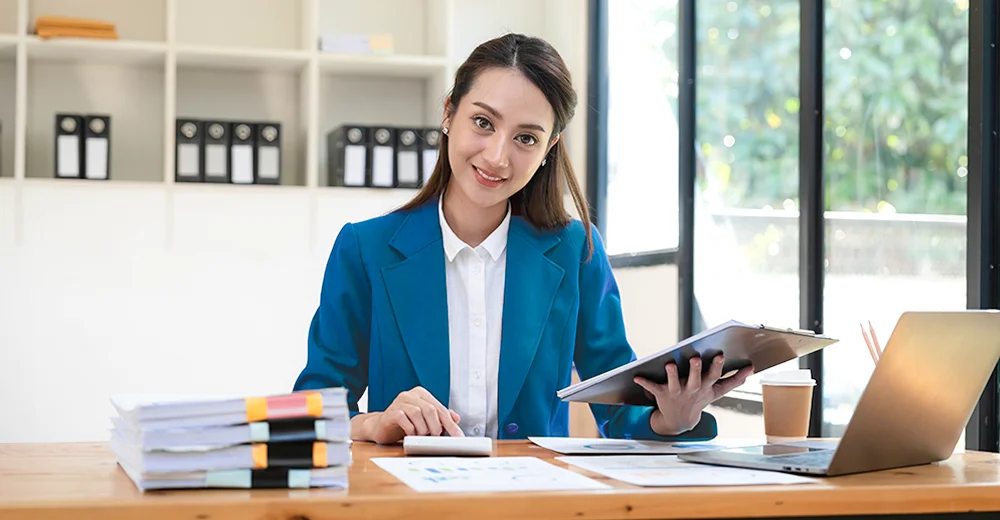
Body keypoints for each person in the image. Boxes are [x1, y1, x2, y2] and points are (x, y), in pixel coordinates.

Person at [293, 33, 753, 445]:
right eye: (484, 123)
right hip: (406, 502)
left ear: (550, 146)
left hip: (535, 501)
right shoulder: (364, 249)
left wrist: (671, 417)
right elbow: (315, 409)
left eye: (526, 138)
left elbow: (619, 409)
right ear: (449, 113)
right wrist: (374, 423)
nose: (497, 157)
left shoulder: (576, 252)